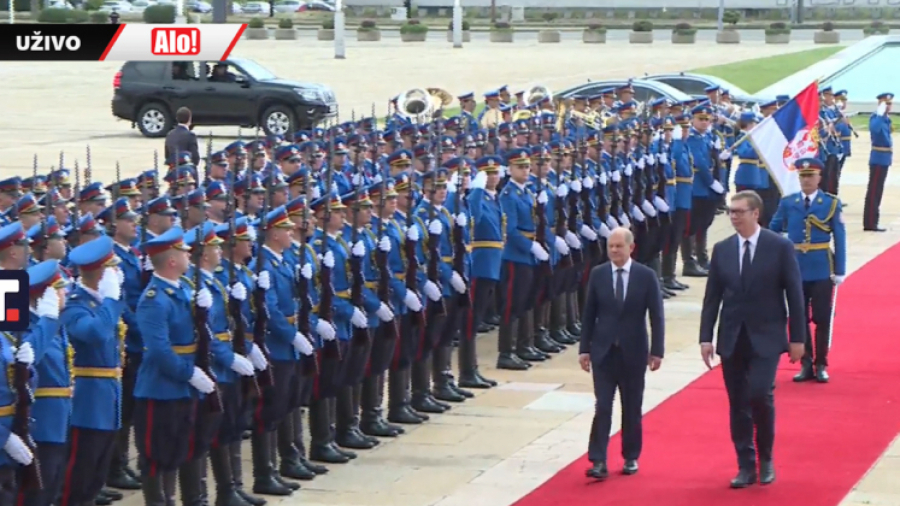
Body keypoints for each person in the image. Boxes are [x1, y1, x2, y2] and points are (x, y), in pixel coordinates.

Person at [698, 190, 806, 489]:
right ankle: (745, 465)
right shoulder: (723, 249)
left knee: (760, 394)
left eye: (739, 211)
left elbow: (794, 295)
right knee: (737, 403)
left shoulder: (779, 247)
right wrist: (706, 337)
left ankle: (766, 458)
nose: (733, 216)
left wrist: (798, 338)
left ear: (755, 214)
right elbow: (712, 298)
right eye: (731, 211)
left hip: (767, 337)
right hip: (733, 337)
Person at [578, 227, 665, 481]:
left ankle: (630, 456)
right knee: (603, 405)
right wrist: (585, 348)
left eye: (618, 246)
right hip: (604, 352)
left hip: (633, 352)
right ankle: (598, 459)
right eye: (610, 247)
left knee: (631, 407)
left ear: (631, 247)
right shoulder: (598, 274)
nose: (614, 251)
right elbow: (589, 315)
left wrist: (657, 351)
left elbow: (656, 316)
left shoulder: (645, 276)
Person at [769, 158, 846, 383]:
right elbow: (773, 229)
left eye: (810, 176)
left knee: (821, 318)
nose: (806, 180)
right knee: (798, 317)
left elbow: (839, 238)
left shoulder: (830, 203)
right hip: (794, 268)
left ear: (819, 178)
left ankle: (821, 363)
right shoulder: (788, 202)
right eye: (802, 176)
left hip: (822, 267)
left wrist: (840, 269)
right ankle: (806, 363)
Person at [864, 92, 892, 232]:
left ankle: (873, 221)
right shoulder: (877, 118)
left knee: (878, 192)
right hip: (878, 159)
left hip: (884, 159)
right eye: (885, 103)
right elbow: (875, 129)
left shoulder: (886, 119)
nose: (888, 106)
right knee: (873, 192)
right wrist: (880, 115)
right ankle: (870, 222)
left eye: (889, 103)